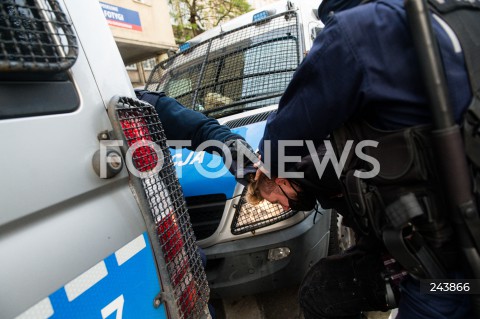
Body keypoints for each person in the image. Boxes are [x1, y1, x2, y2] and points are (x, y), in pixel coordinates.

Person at [245, 0, 475, 317]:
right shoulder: (461, 16)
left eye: (278, 198)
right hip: (461, 240)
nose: (283, 206)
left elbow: (284, 136)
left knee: (321, 293)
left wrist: (264, 161)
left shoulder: (355, 31)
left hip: (446, 271)